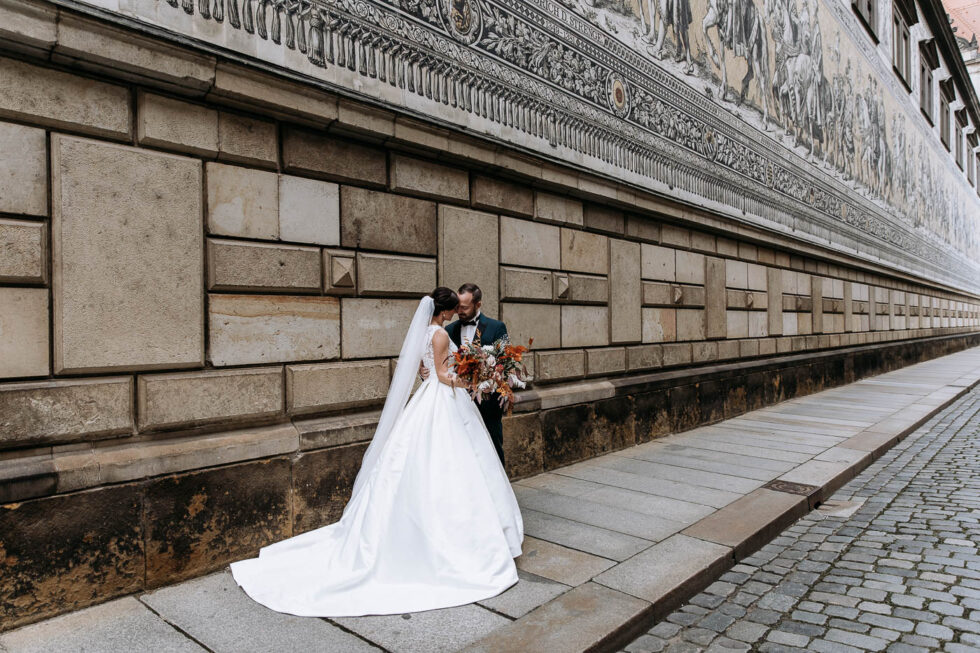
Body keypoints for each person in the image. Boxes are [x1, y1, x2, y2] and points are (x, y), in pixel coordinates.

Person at [230, 288, 524, 617]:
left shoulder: (427, 331)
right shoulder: (441, 333)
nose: (458, 313)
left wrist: (458, 374)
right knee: (448, 465)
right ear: (445, 311)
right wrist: (472, 380)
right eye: (455, 308)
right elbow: (442, 375)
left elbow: (424, 368)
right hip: (443, 401)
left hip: (432, 400)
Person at [439, 283, 509, 468]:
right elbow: (441, 365)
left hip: (488, 402)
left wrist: (493, 378)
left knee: (493, 446)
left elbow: (505, 362)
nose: (458, 310)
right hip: (459, 402)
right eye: (457, 306)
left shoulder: (497, 327)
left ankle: (501, 493)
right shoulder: (449, 330)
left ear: (478, 305)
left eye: (464, 307)